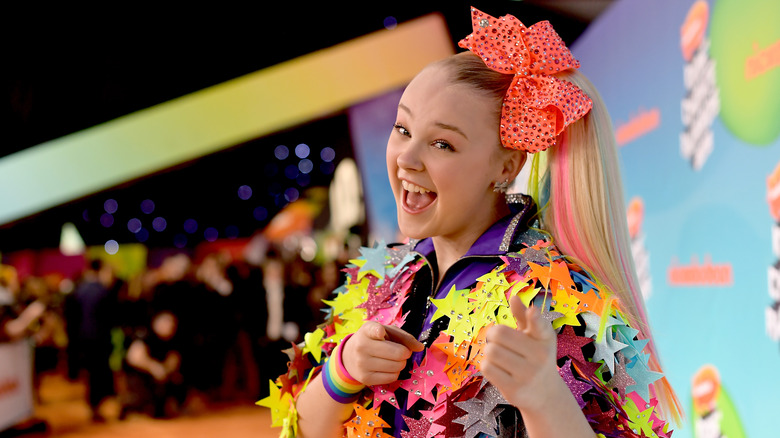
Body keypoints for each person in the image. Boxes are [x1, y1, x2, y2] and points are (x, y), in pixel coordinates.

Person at [259, 7, 682, 438]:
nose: (406, 158)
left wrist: (546, 399)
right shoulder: (378, 278)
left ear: (506, 166)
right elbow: (301, 428)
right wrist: (341, 372)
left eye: (442, 143)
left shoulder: (558, 299)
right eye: (402, 128)